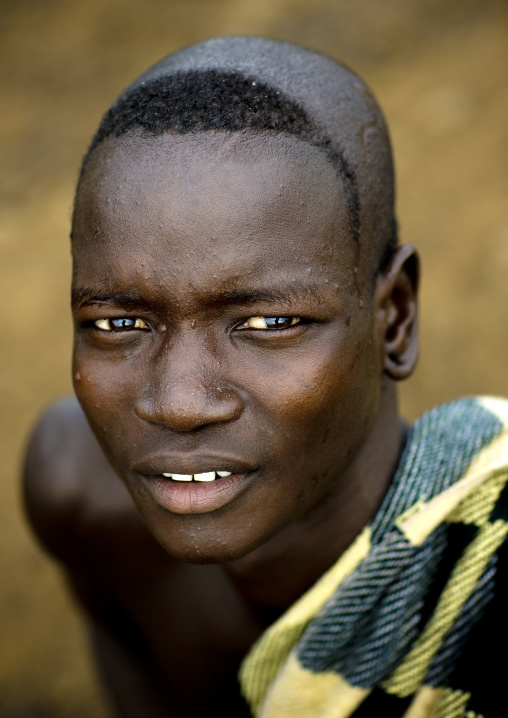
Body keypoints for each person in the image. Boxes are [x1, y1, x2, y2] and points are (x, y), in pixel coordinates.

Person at [23, 37, 508, 718]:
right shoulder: (81, 500)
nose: (180, 403)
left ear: (393, 318)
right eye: (120, 324)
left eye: (269, 324)